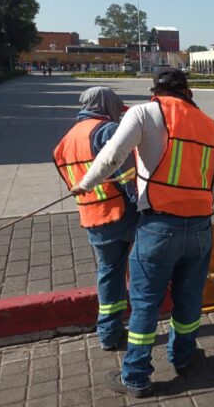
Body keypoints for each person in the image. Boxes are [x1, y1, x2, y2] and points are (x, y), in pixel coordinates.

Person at [72, 68, 214, 398]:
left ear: (156, 90)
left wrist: (85, 184)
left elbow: (112, 156)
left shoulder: (144, 111)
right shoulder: (210, 125)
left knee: (145, 304)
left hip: (158, 228)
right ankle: (183, 358)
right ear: (188, 92)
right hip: (200, 227)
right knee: (189, 299)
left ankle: (137, 376)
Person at [54, 87, 138, 352]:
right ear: (106, 105)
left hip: (91, 214)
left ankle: (109, 332)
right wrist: (142, 205)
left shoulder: (66, 140)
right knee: (143, 265)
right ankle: (132, 328)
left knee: (109, 272)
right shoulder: (107, 131)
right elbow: (127, 175)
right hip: (120, 212)